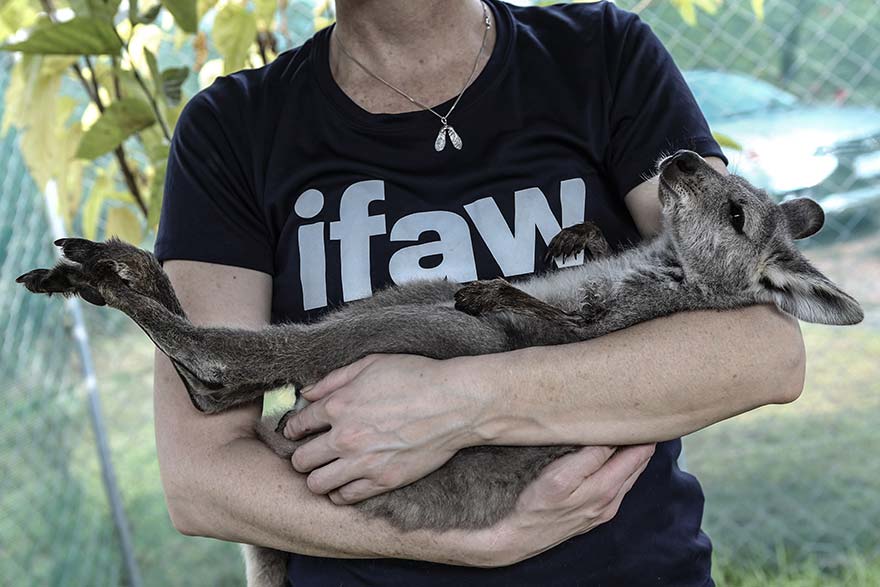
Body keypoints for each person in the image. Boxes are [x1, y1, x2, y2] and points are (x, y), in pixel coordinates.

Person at [153, 1, 805, 585]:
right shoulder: (230, 130)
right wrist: (472, 541)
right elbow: (201, 479)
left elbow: (762, 348)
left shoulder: (599, 55)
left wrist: (466, 401)